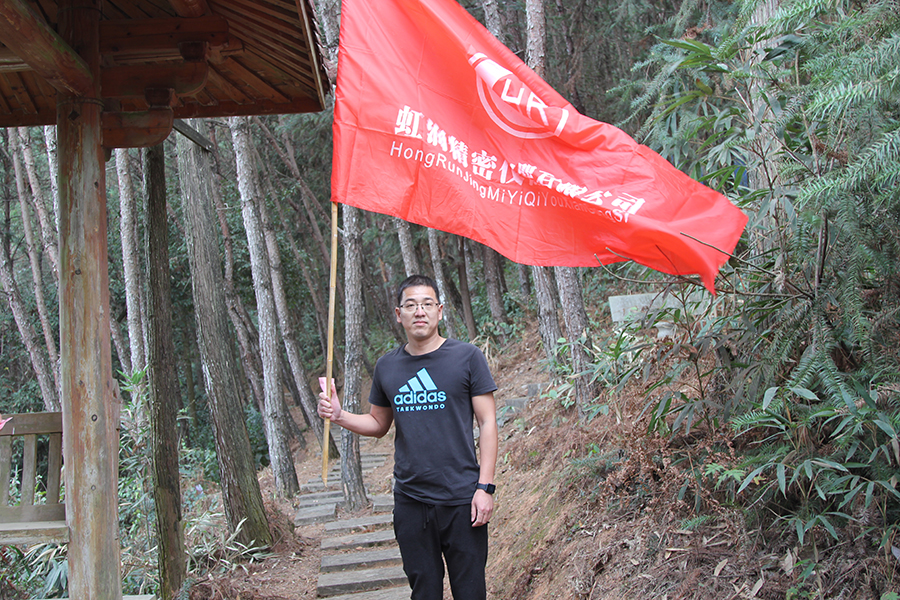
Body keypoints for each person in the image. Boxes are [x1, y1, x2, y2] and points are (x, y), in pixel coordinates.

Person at [318, 274, 498, 600]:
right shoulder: (387, 367)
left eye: (427, 304)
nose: (419, 311)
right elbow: (378, 423)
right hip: (411, 502)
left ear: (440, 311)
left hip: (462, 498)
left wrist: (485, 488)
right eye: (411, 305)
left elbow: (487, 422)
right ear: (398, 314)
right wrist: (340, 415)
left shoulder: (467, 357)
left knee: (471, 592)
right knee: (423, 592)